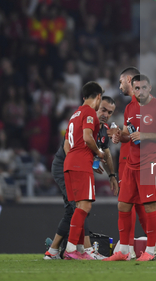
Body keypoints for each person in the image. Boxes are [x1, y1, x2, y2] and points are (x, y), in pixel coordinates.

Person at [105, 74, 156, 262]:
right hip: (131, 163)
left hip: (150, 162)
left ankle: (151, 251)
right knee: (123, 204)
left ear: (150, 88)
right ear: (133, 89)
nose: (140, 91)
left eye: (144, 87)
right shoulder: (130, 107)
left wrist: (145, 136)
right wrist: (119, 136)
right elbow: (129, 135)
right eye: (137, 88)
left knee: (150, 205)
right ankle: (125, 251)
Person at [44, 95, 118, 260]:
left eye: (110, 112)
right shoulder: (84, 120)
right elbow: (66, 146)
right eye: (103, 109)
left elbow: (105, 152)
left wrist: (112, 174)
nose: (106, 114)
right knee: (80, 206)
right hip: (65, 165)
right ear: (96, 106)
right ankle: (84, 249)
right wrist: (83, 163)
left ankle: (55, 250)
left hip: (75, 166)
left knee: (76, 208)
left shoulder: (103, 129)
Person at [61, 82, 106, 260]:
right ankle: (71, 249)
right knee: (85, 206)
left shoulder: (74, 115)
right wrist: (98, 153)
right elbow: (88, 138)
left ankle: (79, 249)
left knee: (80, 207)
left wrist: (75, 158)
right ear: (98, 97)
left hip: (70, 162)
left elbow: (66, 144)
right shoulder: (89, 113)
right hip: (80, 163)